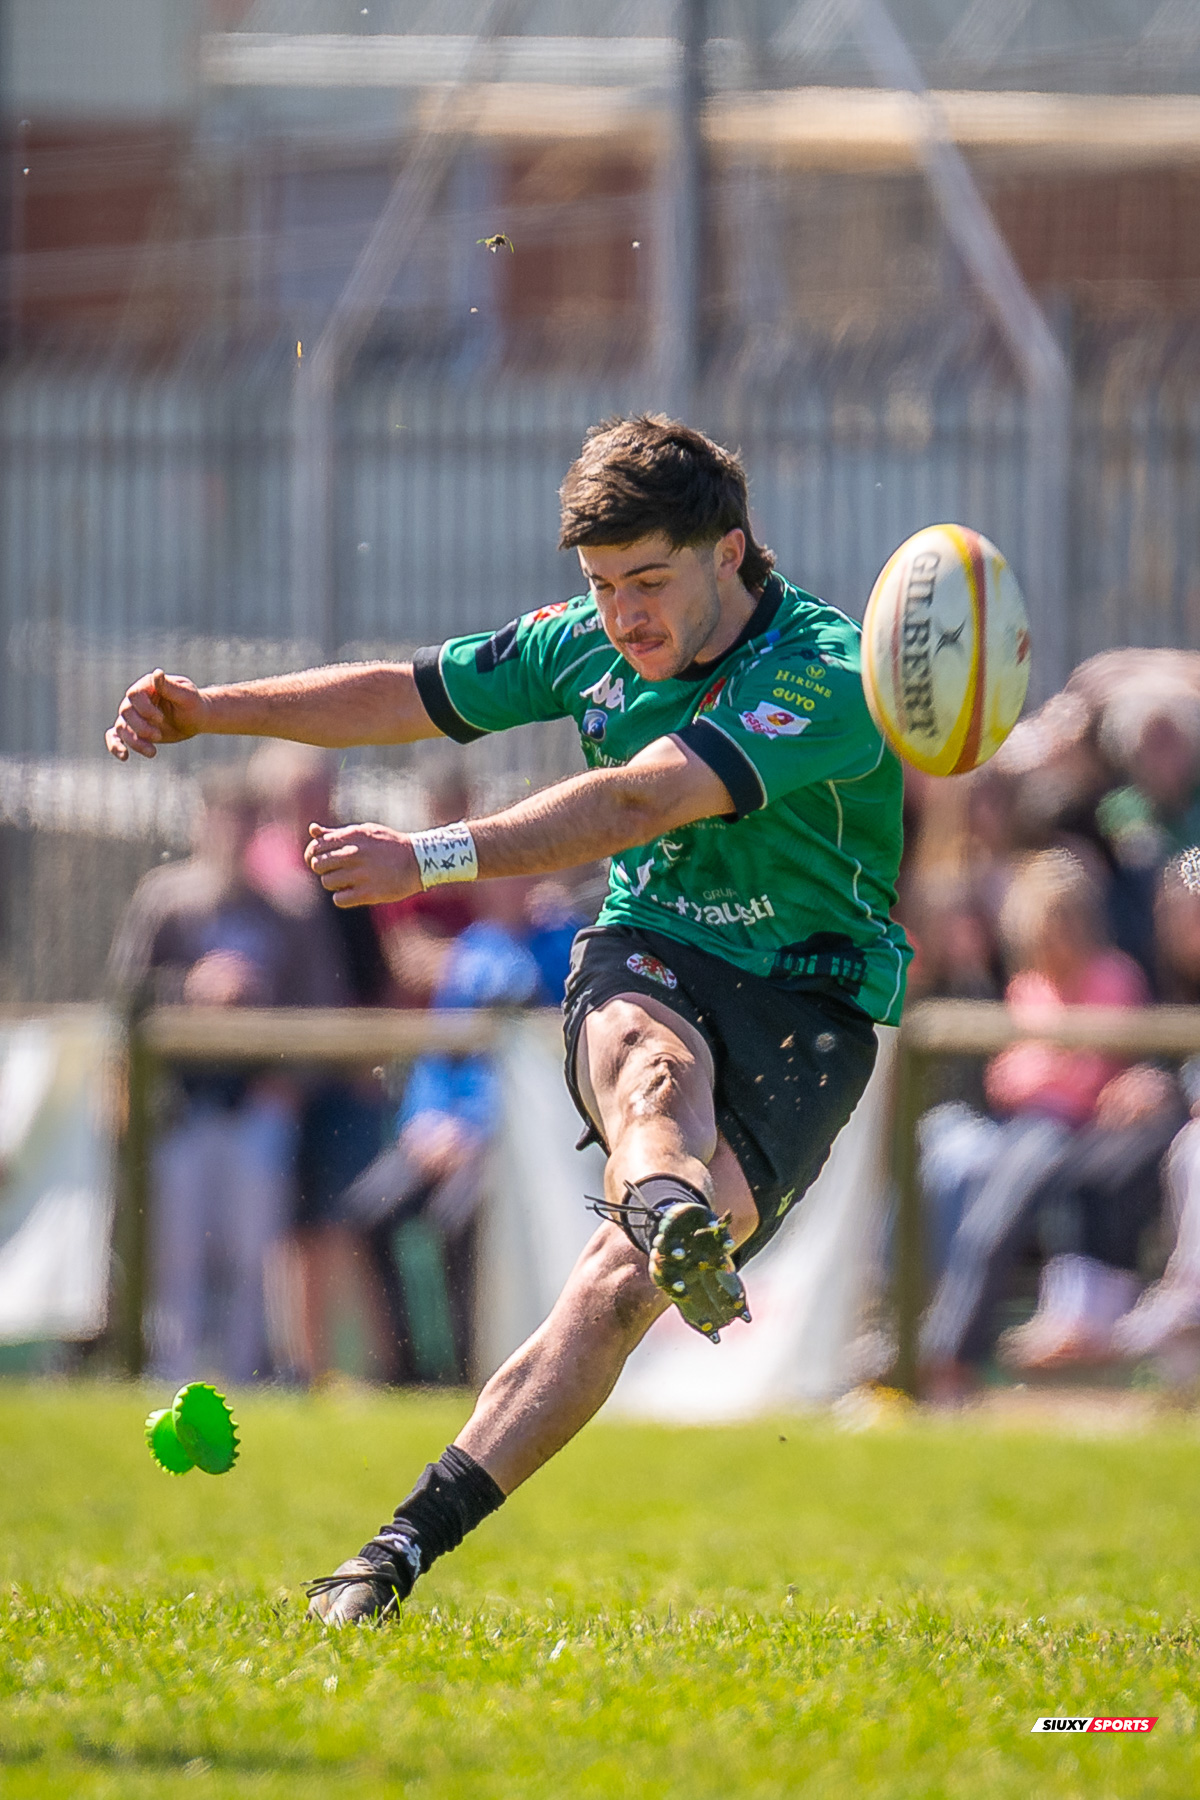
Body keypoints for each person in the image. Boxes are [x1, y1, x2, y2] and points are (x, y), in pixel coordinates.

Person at [106, 413, 909, 1625]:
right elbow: (410, 692)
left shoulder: (822, 671)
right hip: (656, 948)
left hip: (813, 1004)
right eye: (601, 584)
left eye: (649, 582)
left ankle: (656, 1229)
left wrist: (427, 854)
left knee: (614, 1295)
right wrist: (213, 708)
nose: (622, 615)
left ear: (731, 553)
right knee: (651, 1080)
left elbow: (640, 799)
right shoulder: (585, 639)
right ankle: (388, 1560)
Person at [108, 767, 345, 1384]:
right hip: (181, 1104)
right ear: (201, 825)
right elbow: (126, 999)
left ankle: (245, 1377)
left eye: (244, 823)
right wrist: (190, 988)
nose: (232, 836)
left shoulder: (290, 910)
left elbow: (323, 1008)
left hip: (258, 1103)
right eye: (222, 821)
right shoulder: (166, 901)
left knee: (253, 1254)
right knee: (176, 1253)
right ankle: (171, 1374)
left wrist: (287, 1079)